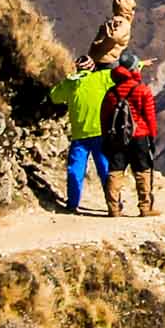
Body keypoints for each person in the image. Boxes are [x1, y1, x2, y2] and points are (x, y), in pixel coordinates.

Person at [52, 54, 122, 216]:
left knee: (75, 169)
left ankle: (72, 204)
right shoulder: (102, 78)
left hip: (79, 134)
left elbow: (54, 96)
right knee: (105, 169)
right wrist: (140, 64)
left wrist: (66, 82)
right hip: (100, 132)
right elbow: (123, 73)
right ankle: (114, 205)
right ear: (93, 68)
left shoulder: (70, 84)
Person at [109, 50, 161, 216]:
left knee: (115, 171)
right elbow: (150, 116)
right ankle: (145, 207)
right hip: (139, 136)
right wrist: (152, 135)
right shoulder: (142, 90)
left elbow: (105, 116)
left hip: (117, 138)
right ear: (133, 70)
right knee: (142, 171)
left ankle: (113, 208)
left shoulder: (112, 92)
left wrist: (107, 135)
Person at [86, 0, 139, 67]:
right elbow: (114, 37)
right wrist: (104, 48)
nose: (133, 12)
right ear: (126, 9)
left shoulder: (113, 21)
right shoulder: (124, 24)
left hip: (96, 57)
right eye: (132, 8)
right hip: (108, 60)